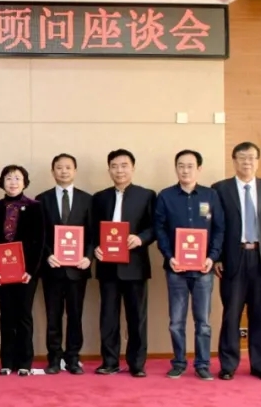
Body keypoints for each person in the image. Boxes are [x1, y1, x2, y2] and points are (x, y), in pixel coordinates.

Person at [211, 141, 261, 382]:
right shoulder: (220, 189)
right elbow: (215, 227)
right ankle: (228, 365)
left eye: (251, 157)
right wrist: (217, 257)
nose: (247, 162)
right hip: (233, 258)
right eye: (242, 157)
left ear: (257, 161)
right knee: (231, 313)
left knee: (260, 314)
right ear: (234, 161)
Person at [153, 150, 223, 381]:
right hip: (176, 269)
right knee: (176, 322)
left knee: (203, 322)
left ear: (199, 169)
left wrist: (212, 257)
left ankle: (202, 364)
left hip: (203, 269)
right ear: (176, 168)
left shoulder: (211, 195)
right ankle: (179, 363)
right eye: (181, 166)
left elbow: (220, 229)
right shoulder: (165, 196)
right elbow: (160, 230)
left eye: (190, 166)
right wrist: (169, 256)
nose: (185, 170)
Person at [90, 149, 156, 378]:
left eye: (124, 165)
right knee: (108, 317)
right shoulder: (99, 197)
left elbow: (155, 227)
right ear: (109, 169)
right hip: (107, 266)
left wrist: (141, 238)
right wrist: (95, 248)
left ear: (133, 168)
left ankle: (137, 363)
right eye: (114, 166)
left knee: (137, 317)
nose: (119, 170)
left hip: (135, 266)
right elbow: (92, 230)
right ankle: (109, 361)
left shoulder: (146, 195)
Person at [34, 153, 94, 375]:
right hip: (53, 268)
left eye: (68, 167)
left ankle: (73, 358)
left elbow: (93, 233)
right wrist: (47, 255)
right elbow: (38, 235)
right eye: (59, 168)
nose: (64, 171)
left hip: (78, 269)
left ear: (75, 171)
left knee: (75, 316)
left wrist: (88, 256)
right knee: (53, 316)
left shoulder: (88, 199)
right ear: (53, 172)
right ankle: (54, 358)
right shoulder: (42, 199)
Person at [0, 165, 46, 377]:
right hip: (2, 272)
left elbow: (40, 241)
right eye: (9, 178)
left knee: (24, 315)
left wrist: (31, 270)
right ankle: (6, 361)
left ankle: (25, 362)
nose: (13, 182)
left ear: (25, 182)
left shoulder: (35, 207)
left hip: (27, 273)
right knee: (6, 316)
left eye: (18, 178)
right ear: (2, 182)